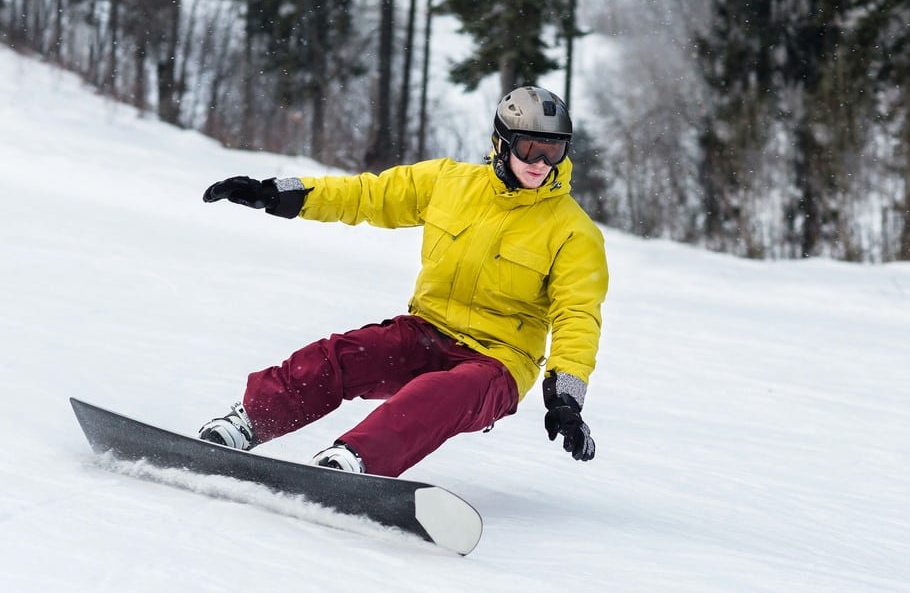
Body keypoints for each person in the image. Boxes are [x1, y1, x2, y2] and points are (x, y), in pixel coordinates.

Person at [198, 86, 609, 478]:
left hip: (497, 364)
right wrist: (277, 194)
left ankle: (355, 461)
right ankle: (251, 421)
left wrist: (566, 398)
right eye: (530, 148)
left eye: (553, 151)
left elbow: (578, 316)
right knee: (340, 356)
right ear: (502, 142)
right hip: (426, 333)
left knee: (439, 394)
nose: (541, 162)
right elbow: (366, 195)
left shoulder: (573, 232)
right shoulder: (449, 184)